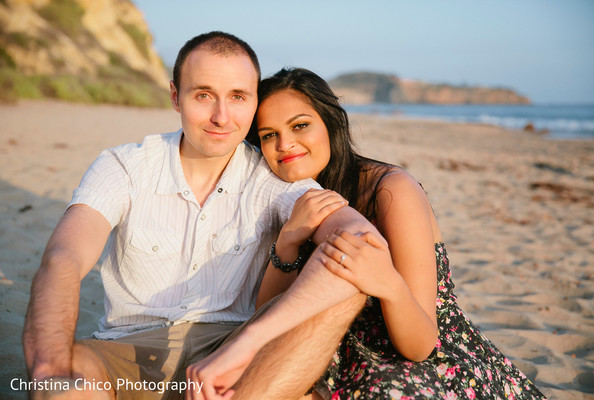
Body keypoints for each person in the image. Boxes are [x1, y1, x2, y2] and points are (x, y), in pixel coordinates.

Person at [22, 33, 378, 400]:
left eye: (238, 97)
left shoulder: (274, 177)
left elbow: (360, 243)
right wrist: (50, 372)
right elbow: (63, 259)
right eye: (203, 95)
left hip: (235, 354)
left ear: (254, 101)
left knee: (349, 278)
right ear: (176, 97)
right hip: (126, 352)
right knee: (68, 389)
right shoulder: (125, 166)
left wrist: (246, 345)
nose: (221, 117)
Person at [191, 67, 547, 399]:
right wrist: (289, 239)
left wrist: (387, 283)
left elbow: (422, 343)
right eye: (270, 135)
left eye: (299, 126)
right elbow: (267, 310)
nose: (285, 144)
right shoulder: (285, 193)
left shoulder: (391, 190)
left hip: (421, 350)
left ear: (331, 125)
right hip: (335, 342)